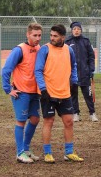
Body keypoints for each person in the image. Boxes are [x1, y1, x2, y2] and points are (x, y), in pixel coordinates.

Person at [35, 24, 84, 163]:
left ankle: (69, 152)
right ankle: (47, 153)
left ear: (63, 37)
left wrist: (74, 82)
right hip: (48, 94)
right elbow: (38, 70)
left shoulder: (69, 50)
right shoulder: (45, 49)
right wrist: (43, 89)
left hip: (64, 93)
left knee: (69, 122)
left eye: (55, 36)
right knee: (48, 122)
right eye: (51, 35)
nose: (52, 38)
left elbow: (73, 66)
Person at [1, 23, 43, 163]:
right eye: (34, 35)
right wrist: (8, 89)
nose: (37, 38)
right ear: (28, 34)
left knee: (35, 119)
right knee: (21, 121)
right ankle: (20, 153)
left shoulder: (39, 49)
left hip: (34, 92)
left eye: (39, 35)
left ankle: (25, 149)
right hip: (21, 92)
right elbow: (6, 69)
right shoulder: (19, 50)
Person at [65, 22, 98, 122]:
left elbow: (91, 57)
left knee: (88, 95)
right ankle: (76, 113)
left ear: (81, 30)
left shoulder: (86, 41)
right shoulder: (67, 42)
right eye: (74, 29)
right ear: (72, 30)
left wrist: (91, 69)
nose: (76, 30)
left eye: (78, 29)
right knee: (73, 95)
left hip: (85, 74)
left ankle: (92, 113)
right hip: (72, 75)